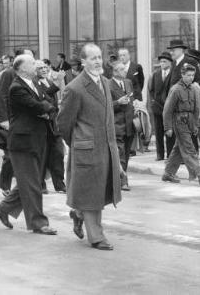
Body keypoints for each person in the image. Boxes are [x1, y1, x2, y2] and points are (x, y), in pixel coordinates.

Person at [57, 43, 122, 251]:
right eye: (92, 58)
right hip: (87, 149)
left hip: (106, 149)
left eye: (99, 57)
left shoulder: (105, 82)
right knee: (92, 194)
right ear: (83, 62)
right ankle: (96, 237)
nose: (97, 62)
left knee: (100, 192)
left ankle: (78, 213)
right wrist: (78, 142)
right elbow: (63, 124)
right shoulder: (74, 88)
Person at [0, 54, 57, 235]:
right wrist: (45, 109)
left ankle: (2, 209)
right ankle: (38, 223)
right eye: (31, 63)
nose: (35, 65)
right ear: (21, 68)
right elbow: (36, 105)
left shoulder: (34, 83)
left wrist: (46, 108)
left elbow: (48, 100)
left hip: (37, 138)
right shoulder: (16, 87)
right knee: (32, 183)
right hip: (22, 141)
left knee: (31, 180)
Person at [160, 63, 200, 186]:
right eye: (188, 75)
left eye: (193, 75)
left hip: (189, 121)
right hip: (179, 121)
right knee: (189, 148)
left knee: (179, 148)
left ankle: (168, 173)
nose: (191, 77)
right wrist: (168, 127)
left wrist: (194, 125)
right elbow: (167, 110)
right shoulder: (176, 89)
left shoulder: (194, 89)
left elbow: (196, 109)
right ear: (182, 75)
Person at [0, 50, 33, 195]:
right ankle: (5, 185)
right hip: (10, 122)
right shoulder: (8, 74)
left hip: (25, 123)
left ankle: (22, 185)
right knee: (10, 154)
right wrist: (3, 119)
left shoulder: (31, 76)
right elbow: (0, 96)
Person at [36, 60, 66, 193]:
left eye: (45, 67)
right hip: (42, 126)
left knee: (58, 154)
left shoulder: (48, 81)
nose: (44, 70)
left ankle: (60, 184)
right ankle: (41, 183)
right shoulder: (34, 83)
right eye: (40, 68)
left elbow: (51, 99)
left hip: (54, 125)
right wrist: (57, 83)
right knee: (42, 155)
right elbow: (43, 97)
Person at [108, 61, 134, 191]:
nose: (125, 71)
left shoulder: (128, 82)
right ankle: (123, 181)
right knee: (121, 153)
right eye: (122, 69)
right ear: (115, 72)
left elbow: (132, 99)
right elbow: (105, 105)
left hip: (129, 124)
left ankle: (121, 176)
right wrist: (118, 102)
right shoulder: (108, 84)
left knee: (127, 153)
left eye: (125, 69)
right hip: (116, 124)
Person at [148, 52, 173, 161]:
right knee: (158, 132)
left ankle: (170, 155)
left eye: (165, 61)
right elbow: (151, 90)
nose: (162, 63)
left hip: (169, 108)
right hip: (157, 108)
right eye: (161, 61)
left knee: (169, 132)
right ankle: (160, 154)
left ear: (170, 62)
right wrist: (153, 102)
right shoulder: (156, 74)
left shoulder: (173, 73)